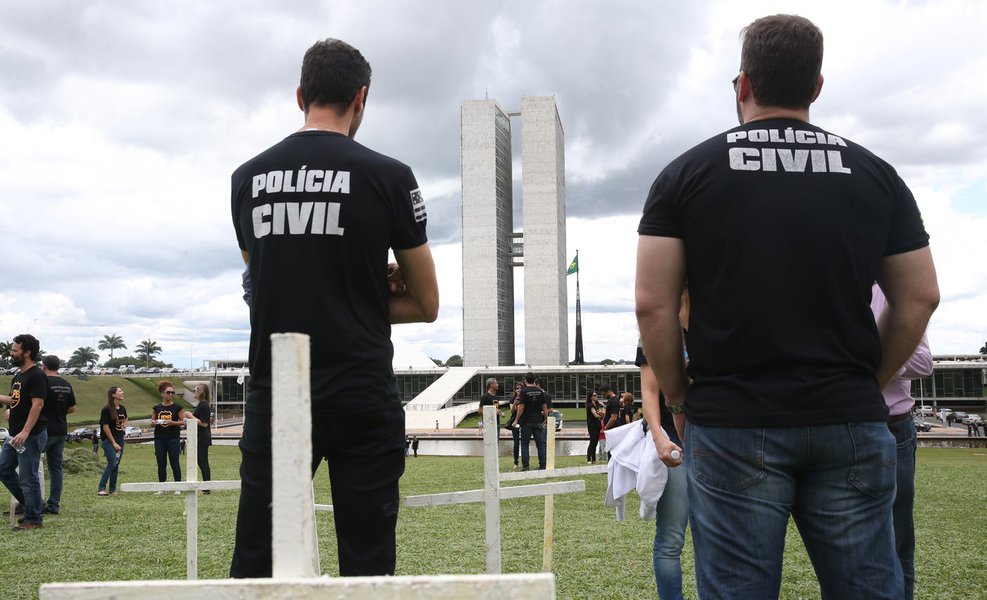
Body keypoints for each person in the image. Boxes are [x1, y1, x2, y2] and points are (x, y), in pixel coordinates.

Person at [636, 14, 939, 598]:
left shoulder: (685, 174)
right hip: (848, 415)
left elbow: (653, 304)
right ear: (816, 87)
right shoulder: (877, 174)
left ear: (742, 85)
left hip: (735, 418)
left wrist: (678, 397)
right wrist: (866, 378)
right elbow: (920, 295)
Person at [229, 38, 439, 578]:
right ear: (361, 98)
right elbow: (426, 304)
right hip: (360, 390)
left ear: (301, 94)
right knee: (367, 567)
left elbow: (266, 287)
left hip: (279, 390)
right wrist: (367, 290)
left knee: (258, 563)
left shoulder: (247, 179)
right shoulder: (389, 176)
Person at [872, 284, 931, 600]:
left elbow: (924, 362)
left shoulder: (891, 292)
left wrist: (866, 350)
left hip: (893, 427)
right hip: (841, 423)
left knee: (898, 541)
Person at [0, 334, 49, 529]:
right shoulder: (18, 375)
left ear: (27, 352)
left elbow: (37, 405)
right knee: (3, 469)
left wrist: (26, 431)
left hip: (29, 435)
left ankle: (34, 519)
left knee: (28, 477)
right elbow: (15, 400)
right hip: (14, 434)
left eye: (15, 350)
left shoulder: (36, 375)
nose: (11, 353)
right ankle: (31, 505)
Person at [41, 355, 77, 514]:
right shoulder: (66, 384)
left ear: (43, 366)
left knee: (33, 465)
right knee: (56, 469)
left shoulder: (43, 382)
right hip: (61, 430)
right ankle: (54, 504)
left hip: (45, 430)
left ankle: (34, 502)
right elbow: (72, 408)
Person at [510, 372, 550, 471]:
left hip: (526, 422)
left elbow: (521, 407)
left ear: (525, 380)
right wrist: (545, 419)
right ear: (534, 380)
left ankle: (526, 466)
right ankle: (542, 465)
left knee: (524, 444)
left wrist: (516, 420)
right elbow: (544, 406)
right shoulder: (539, 391)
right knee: (540, 444)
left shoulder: (524, 391)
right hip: (538, 421)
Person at [152, 381, 185, 493]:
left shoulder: (178, 407)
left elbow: (183, 422)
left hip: (173, 438)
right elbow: (152, 421)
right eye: (168, 392)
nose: (171, 394)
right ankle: (162, 488)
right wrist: (153, 422)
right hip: (159, 438)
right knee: (161, 463)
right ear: (162, 394)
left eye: (172, 392)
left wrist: (172, 423)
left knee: (174, 462)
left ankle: (178, 487)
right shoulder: (156, 408)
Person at [97, 387, 128, 497]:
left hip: (120, 438)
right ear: (113, 395)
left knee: (116, 464)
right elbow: (105, 427)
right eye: (120, 391)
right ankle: (101, 488)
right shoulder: (106, 409)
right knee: (112, 463)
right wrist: (114, 442)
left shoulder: (122, 408)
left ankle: (112, 489)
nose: (122, 392)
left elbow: (125, 418)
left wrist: (123, 425)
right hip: (109, 440)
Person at [191, 384, 213, 493]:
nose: (193, 392)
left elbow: (204, 424)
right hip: (200, 437)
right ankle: (206, 486)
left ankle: (206, 487)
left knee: (203, 461)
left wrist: (190, 416)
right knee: (201, 461)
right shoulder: (202, 404)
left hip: (202, 438)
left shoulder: (203, 405)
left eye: (194, 390)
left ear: (199, 392)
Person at [585, 390, 604, 463]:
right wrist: (602, 416)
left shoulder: (596, 404)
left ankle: (593, 459)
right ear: (591, 397)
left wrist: (604, 406)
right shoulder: (590, 405)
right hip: (592, 425)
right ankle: (589, 459)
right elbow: (595, 415)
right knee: (592, 442)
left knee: (595, 442)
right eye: (594, 395)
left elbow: (604, 407)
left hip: (597, 425)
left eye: (596, 395)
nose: (596, 396)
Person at [507, 382, 523, 468]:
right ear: (515, 390)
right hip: (515, 423)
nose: (519, 390)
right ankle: (516, 462)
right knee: (516, 443)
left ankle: (525, 461)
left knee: (524, 442)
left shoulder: (525, 398)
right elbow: (512, 411)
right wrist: (515, 402)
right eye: (517, 388)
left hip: (524, 422)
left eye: (520, 388)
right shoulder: (512, 399)